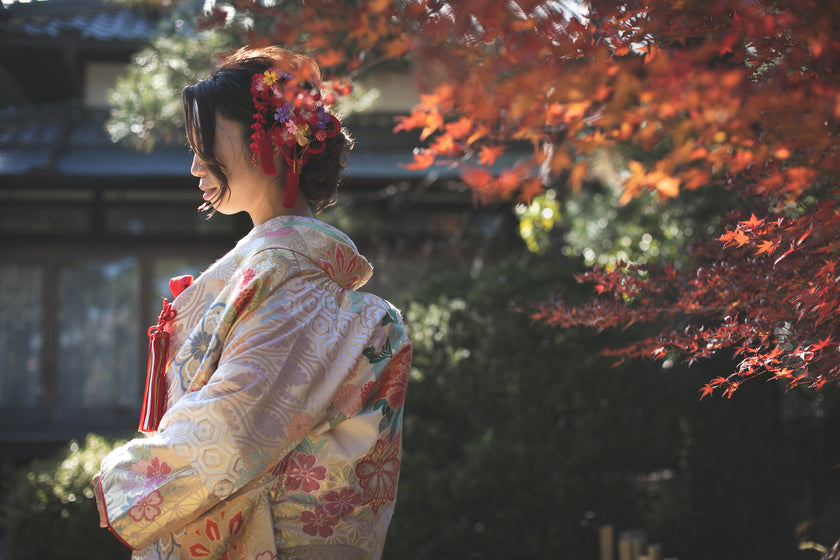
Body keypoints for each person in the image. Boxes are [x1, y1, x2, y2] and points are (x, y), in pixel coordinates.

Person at [92, 46, 412, 560]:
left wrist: (124, 478)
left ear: (271, 143)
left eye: (207, 144)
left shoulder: (288, 280)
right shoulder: (299, 281)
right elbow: (341, 445)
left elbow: (234, 432)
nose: (196, 163)